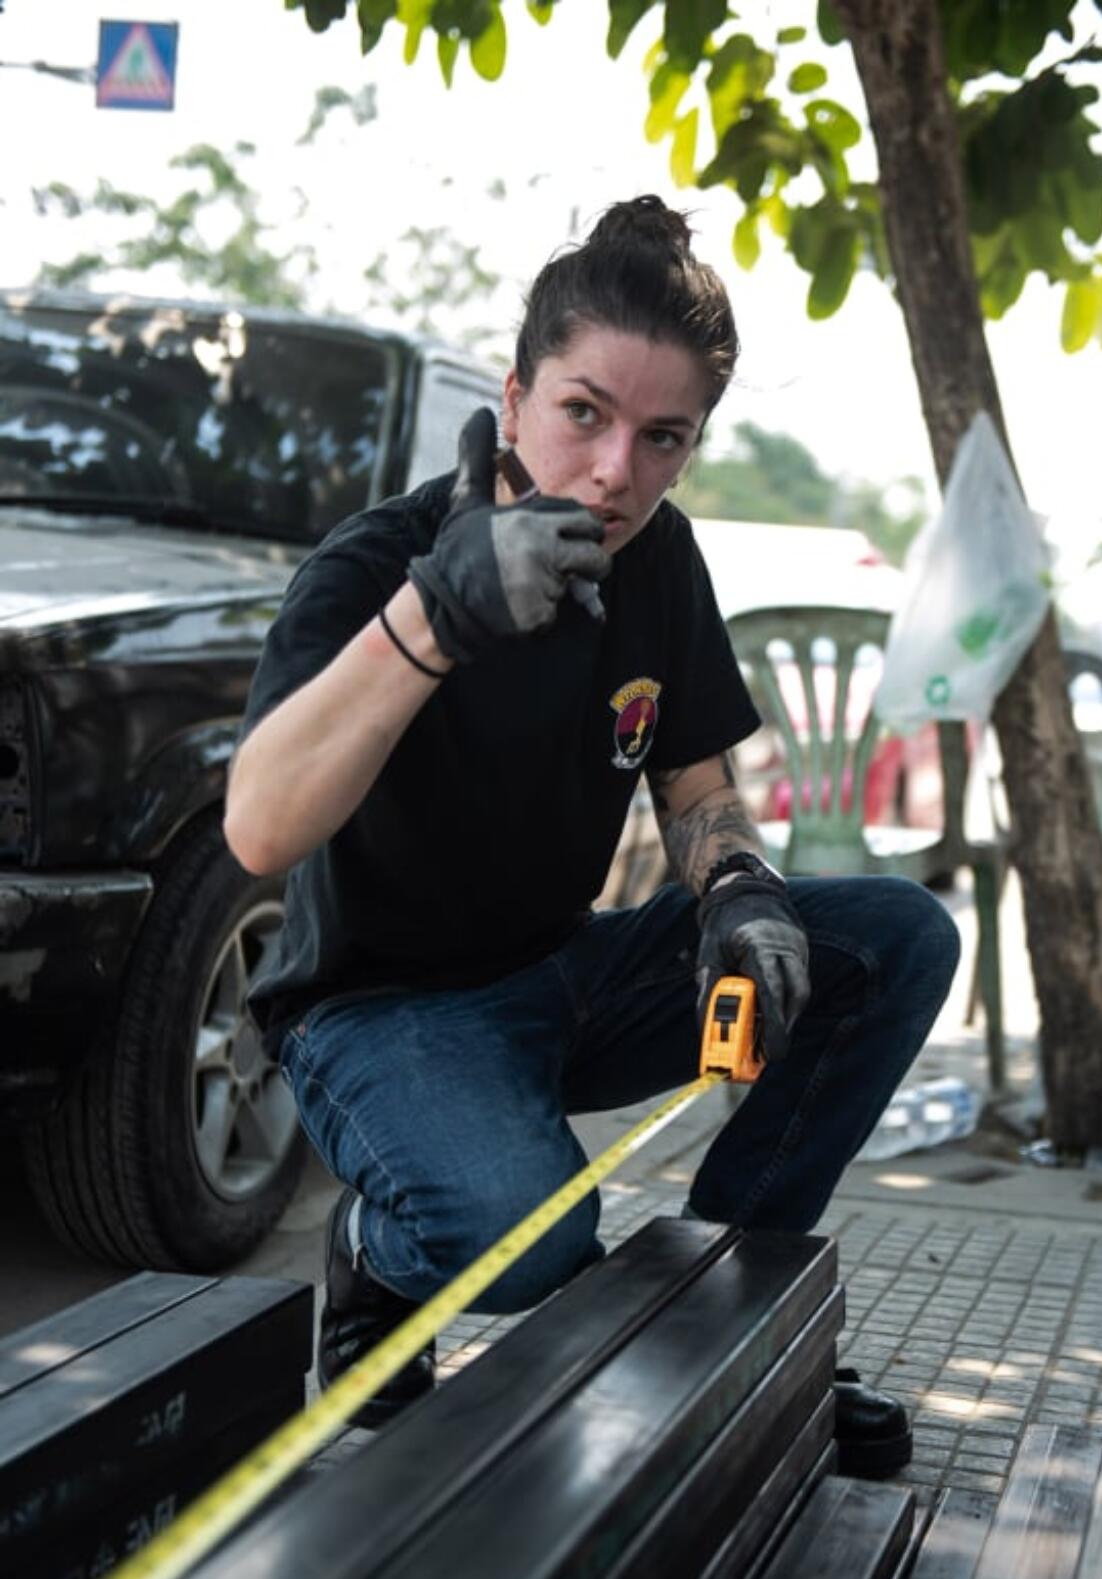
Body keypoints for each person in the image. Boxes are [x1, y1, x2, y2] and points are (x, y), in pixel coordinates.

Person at [225, 196, 960, 1472]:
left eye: (660, 436)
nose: (615, 470)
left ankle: (728, 1313)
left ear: (689, 446)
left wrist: (736, 885)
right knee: (528, 1245)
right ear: (512, 399)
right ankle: (371, 1261)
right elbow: (256, 828)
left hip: (565, 973)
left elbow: (694, 783)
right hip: (379, 1011)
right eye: (584, 414)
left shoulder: (658, 557)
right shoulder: (378, 562)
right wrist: (434, 621)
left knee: (894, 937)